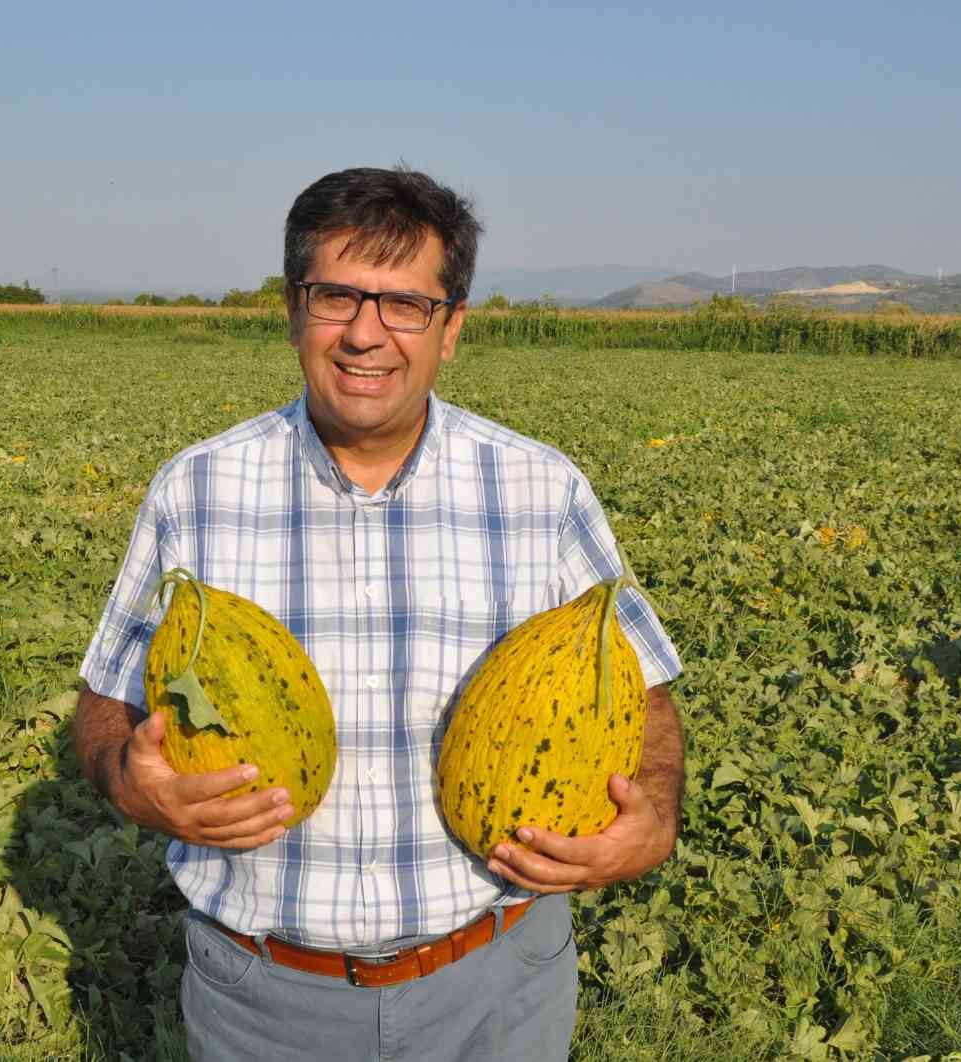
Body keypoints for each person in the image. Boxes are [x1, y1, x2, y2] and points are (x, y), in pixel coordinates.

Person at [74, 166, 685, 1061]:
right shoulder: (196, 488)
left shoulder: (541, 488)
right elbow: (103, 703)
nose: (366, 334)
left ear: (453, 327)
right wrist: (130, 781)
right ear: (292, 310)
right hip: (264, 1000)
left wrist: (656, 812)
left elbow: (643, 693)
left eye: (406, 304)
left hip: (499, 987)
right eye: (337, 297)